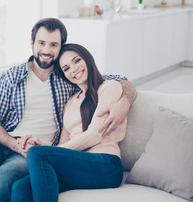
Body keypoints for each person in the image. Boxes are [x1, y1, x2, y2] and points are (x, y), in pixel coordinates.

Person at [0, 18, 136, 202]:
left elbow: (114, 80)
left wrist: (125, 101)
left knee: (3, 181)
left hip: (38, 151)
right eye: (41, 43)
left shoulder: (67, 76)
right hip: (5, 141)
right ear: (32, 42)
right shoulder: (12, 76)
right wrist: (14, 144)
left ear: (60, 48)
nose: (46, 50)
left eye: (53, 45)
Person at [11, 43, 129, 202]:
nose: (73, 69)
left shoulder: (109, 87)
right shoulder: (70, 102)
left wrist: (45, 152)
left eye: (77, 61)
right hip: (77, 164)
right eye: (66, 68)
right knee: (20, 187)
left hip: (106, 165)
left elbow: (95, 134)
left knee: (36, 153)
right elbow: (64, 143)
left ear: (87, 59)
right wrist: (46, 149)